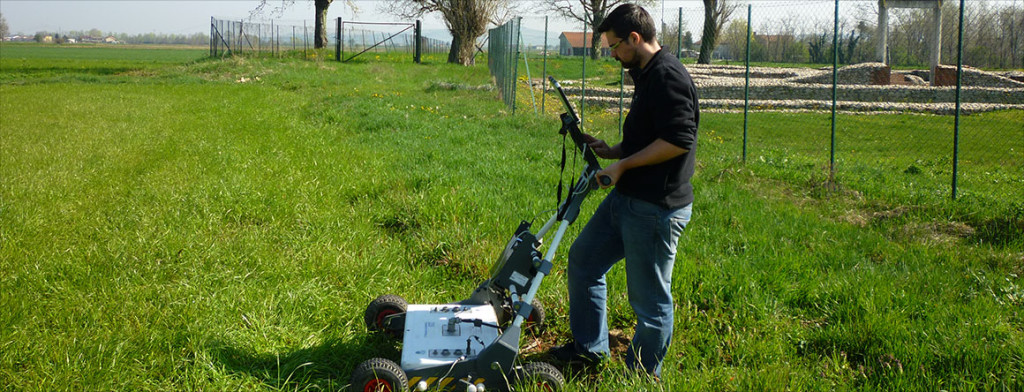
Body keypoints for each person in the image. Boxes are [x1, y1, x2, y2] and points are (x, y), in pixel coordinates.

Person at [548, 3, 699, 378]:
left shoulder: (667, 76)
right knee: (584, 261)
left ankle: (641, 376)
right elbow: (650, 135)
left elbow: (679, 140)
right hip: (627, 199)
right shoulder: (643, 72)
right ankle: (589, 349)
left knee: (649, 303)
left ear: (635, 38)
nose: (612, 54)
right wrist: (613, 150)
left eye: (615, 46)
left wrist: (622, 166)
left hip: (655, 208)